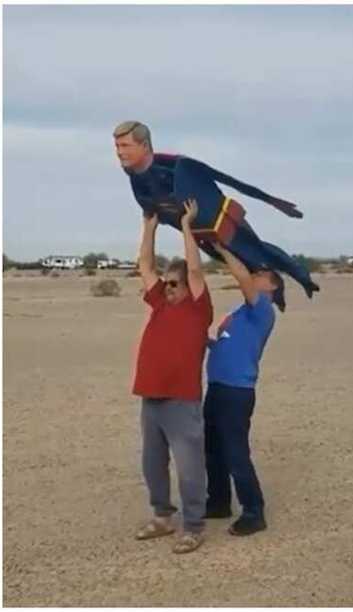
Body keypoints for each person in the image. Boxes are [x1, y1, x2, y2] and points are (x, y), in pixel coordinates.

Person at [114, 120, 318, 299]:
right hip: (202, 235)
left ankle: (302, 278)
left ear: (145, 145)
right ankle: (275, 296)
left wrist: (271, 200)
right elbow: (156, 211)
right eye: (117, 146)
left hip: (222, 220)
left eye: (125, 145)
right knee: (244, 266)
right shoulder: (136, 179)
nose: (120, 152)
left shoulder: (179, 164)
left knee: (258, 251)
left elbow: (229, 180)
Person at [131, 199, 213, 554]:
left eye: (175, 284)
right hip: (152, 398)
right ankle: (163, 517)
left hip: (182, 400)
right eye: (166, 284)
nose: (168, 288)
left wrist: (186, 226)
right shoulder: (160, 304)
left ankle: (193, 526)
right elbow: (145, 265)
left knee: (189, 467)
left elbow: (194, 270)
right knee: (152, 464)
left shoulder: (198, 309)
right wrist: (149, 226)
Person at [203, 244, 281, 536]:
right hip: (217, 386)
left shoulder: (263, 309)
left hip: (237, 391)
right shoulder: (239, 311)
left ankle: (253, 511)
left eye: (261, 274)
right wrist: (208, 343)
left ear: (271, 286)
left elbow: (241, 277)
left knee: (235, 452)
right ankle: (219, 502)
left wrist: (223, 247)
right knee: (212, 448)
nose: (254, 274)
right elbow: (227, 343)